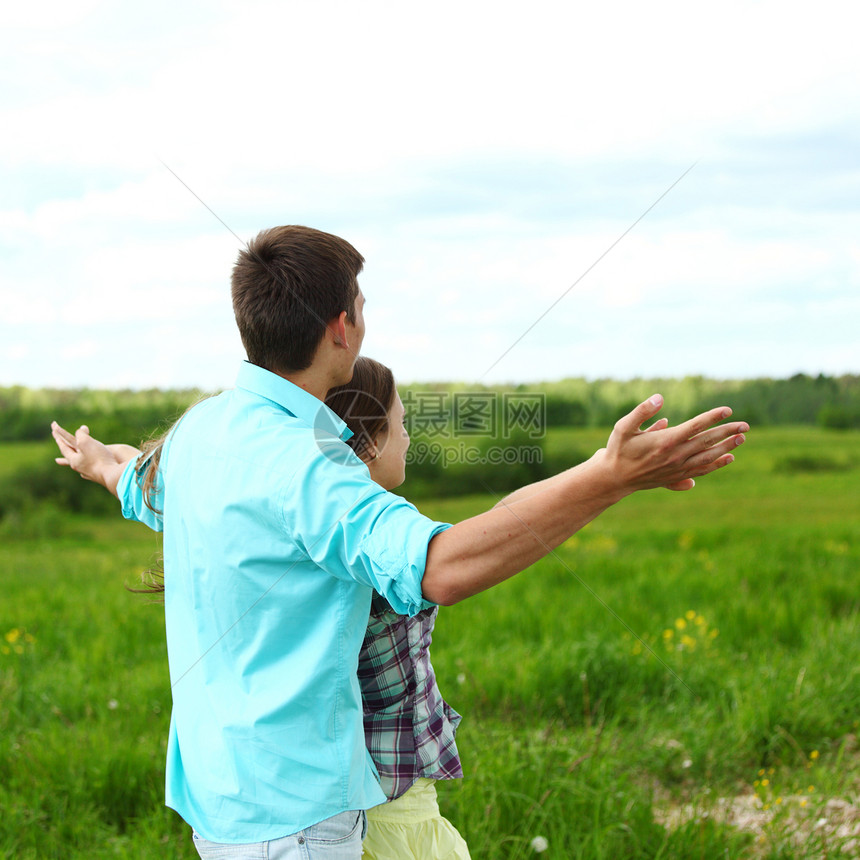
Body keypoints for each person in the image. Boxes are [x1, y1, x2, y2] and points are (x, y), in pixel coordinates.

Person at [52, 224, 748, 859]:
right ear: (340, 328)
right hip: (296, 821)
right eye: (361, 303)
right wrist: (610, 477)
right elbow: (439, 566)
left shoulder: (201, 433)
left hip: (219, 801)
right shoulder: (310, 466)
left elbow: (136, 483)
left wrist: (97, 461)